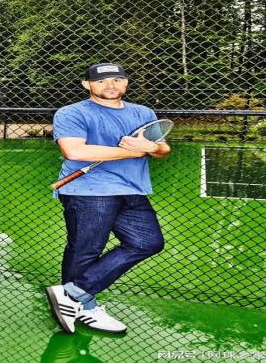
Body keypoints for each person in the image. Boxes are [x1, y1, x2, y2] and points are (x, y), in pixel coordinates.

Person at [45, 62, 171, 334]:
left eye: (116, 79)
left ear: (126, 82)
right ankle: (85, 307)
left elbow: (162, 150)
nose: (110, 85)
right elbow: (75, 151)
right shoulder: (72, 113)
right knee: (85, 249)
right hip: (88, 191)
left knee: (147, 242)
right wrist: (135, 151)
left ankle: (73, 294)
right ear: (87, 84)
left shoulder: (143, 112)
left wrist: (151, 146)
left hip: (133, 190)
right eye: (101, 81)